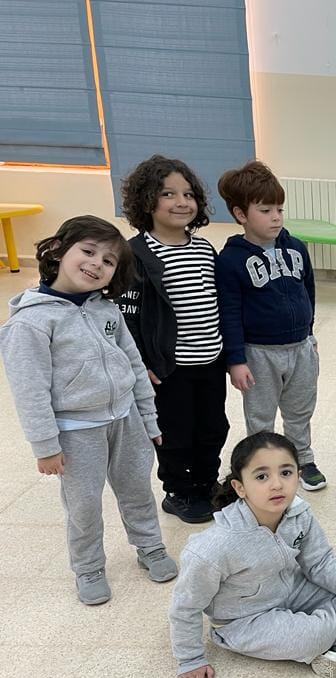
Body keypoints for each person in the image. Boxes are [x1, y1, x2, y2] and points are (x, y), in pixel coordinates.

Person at [0, 216, 177, 605]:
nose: (97, 264)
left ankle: (150, 547)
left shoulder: (107, 310)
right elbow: (30, 391)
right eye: (88, 251)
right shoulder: (31, 322)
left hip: (126, 419)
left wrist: (148, 419)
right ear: (58, 250)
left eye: (109, 260)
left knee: (137, 490)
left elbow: (133, 364)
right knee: (83, 505)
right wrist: (45, 446)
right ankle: (89, 567)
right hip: (76, 431)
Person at [169, 432, 336, 678]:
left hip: (290, 588)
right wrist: (190, 660)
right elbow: (186, 606)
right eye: (262, 476)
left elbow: (319, 562)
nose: (277, 484)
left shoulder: (299, 513)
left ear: (298, 476)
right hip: (244, 620)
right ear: (239, 487)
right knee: (317, 634)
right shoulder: (214, 547)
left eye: (286, 473)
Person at [117, 155, 229, 524]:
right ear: (146, 200)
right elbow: (127, 318)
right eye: (168, 194)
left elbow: (216, 302)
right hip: (168, 367)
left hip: (210, 359)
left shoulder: (204, 249)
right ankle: (178, 491)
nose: (181, 202)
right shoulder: (136, 254)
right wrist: (143, 364)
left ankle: (206, 482)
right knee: (175, 432)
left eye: (188, 194)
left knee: (213, 427)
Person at [216, 160, 327, 492]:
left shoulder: (296, 248)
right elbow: (229, 312)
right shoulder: (230, 260)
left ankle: (302, 459)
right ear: (241, 214)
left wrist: (309, 332)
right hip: (258, 353)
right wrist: (236, 359)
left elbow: (308, 290)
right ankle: (262, 464)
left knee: (300, 410)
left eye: (279, 209)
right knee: (261, 415)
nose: (276, 217)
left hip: (300, 348)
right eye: (265, 210)